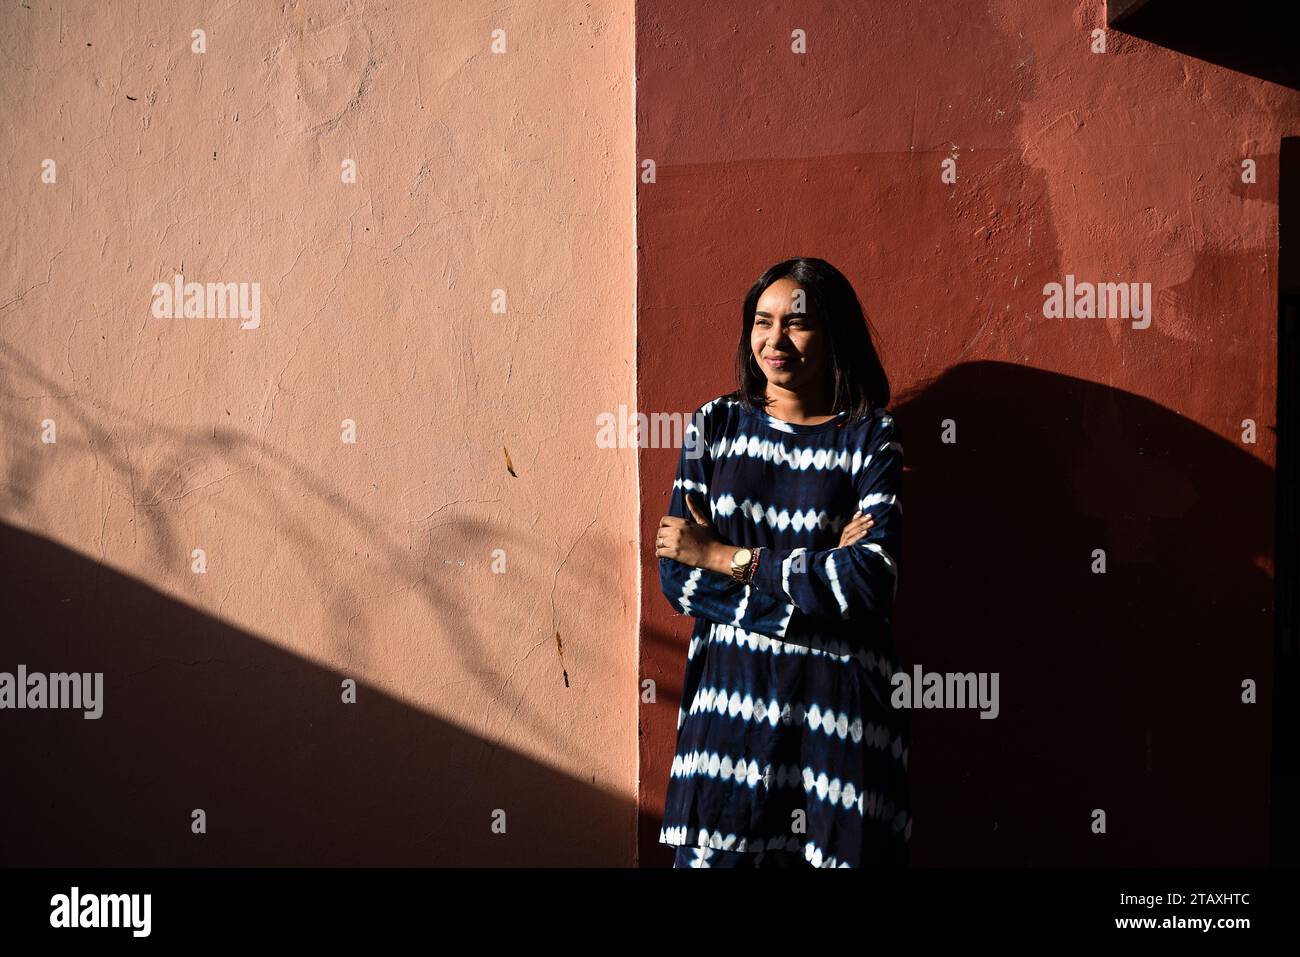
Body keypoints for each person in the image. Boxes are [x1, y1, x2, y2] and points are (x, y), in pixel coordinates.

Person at [655, 257, 911, 868]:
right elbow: (680, 576)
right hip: (728, 723)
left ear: (833, 334)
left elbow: (868, 581)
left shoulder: (872, 439)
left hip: (838, 723)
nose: (775, 340)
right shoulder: (715, 428)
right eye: (761, 322)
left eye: (796, 324)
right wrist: (815, 590)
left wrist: (724, 555)